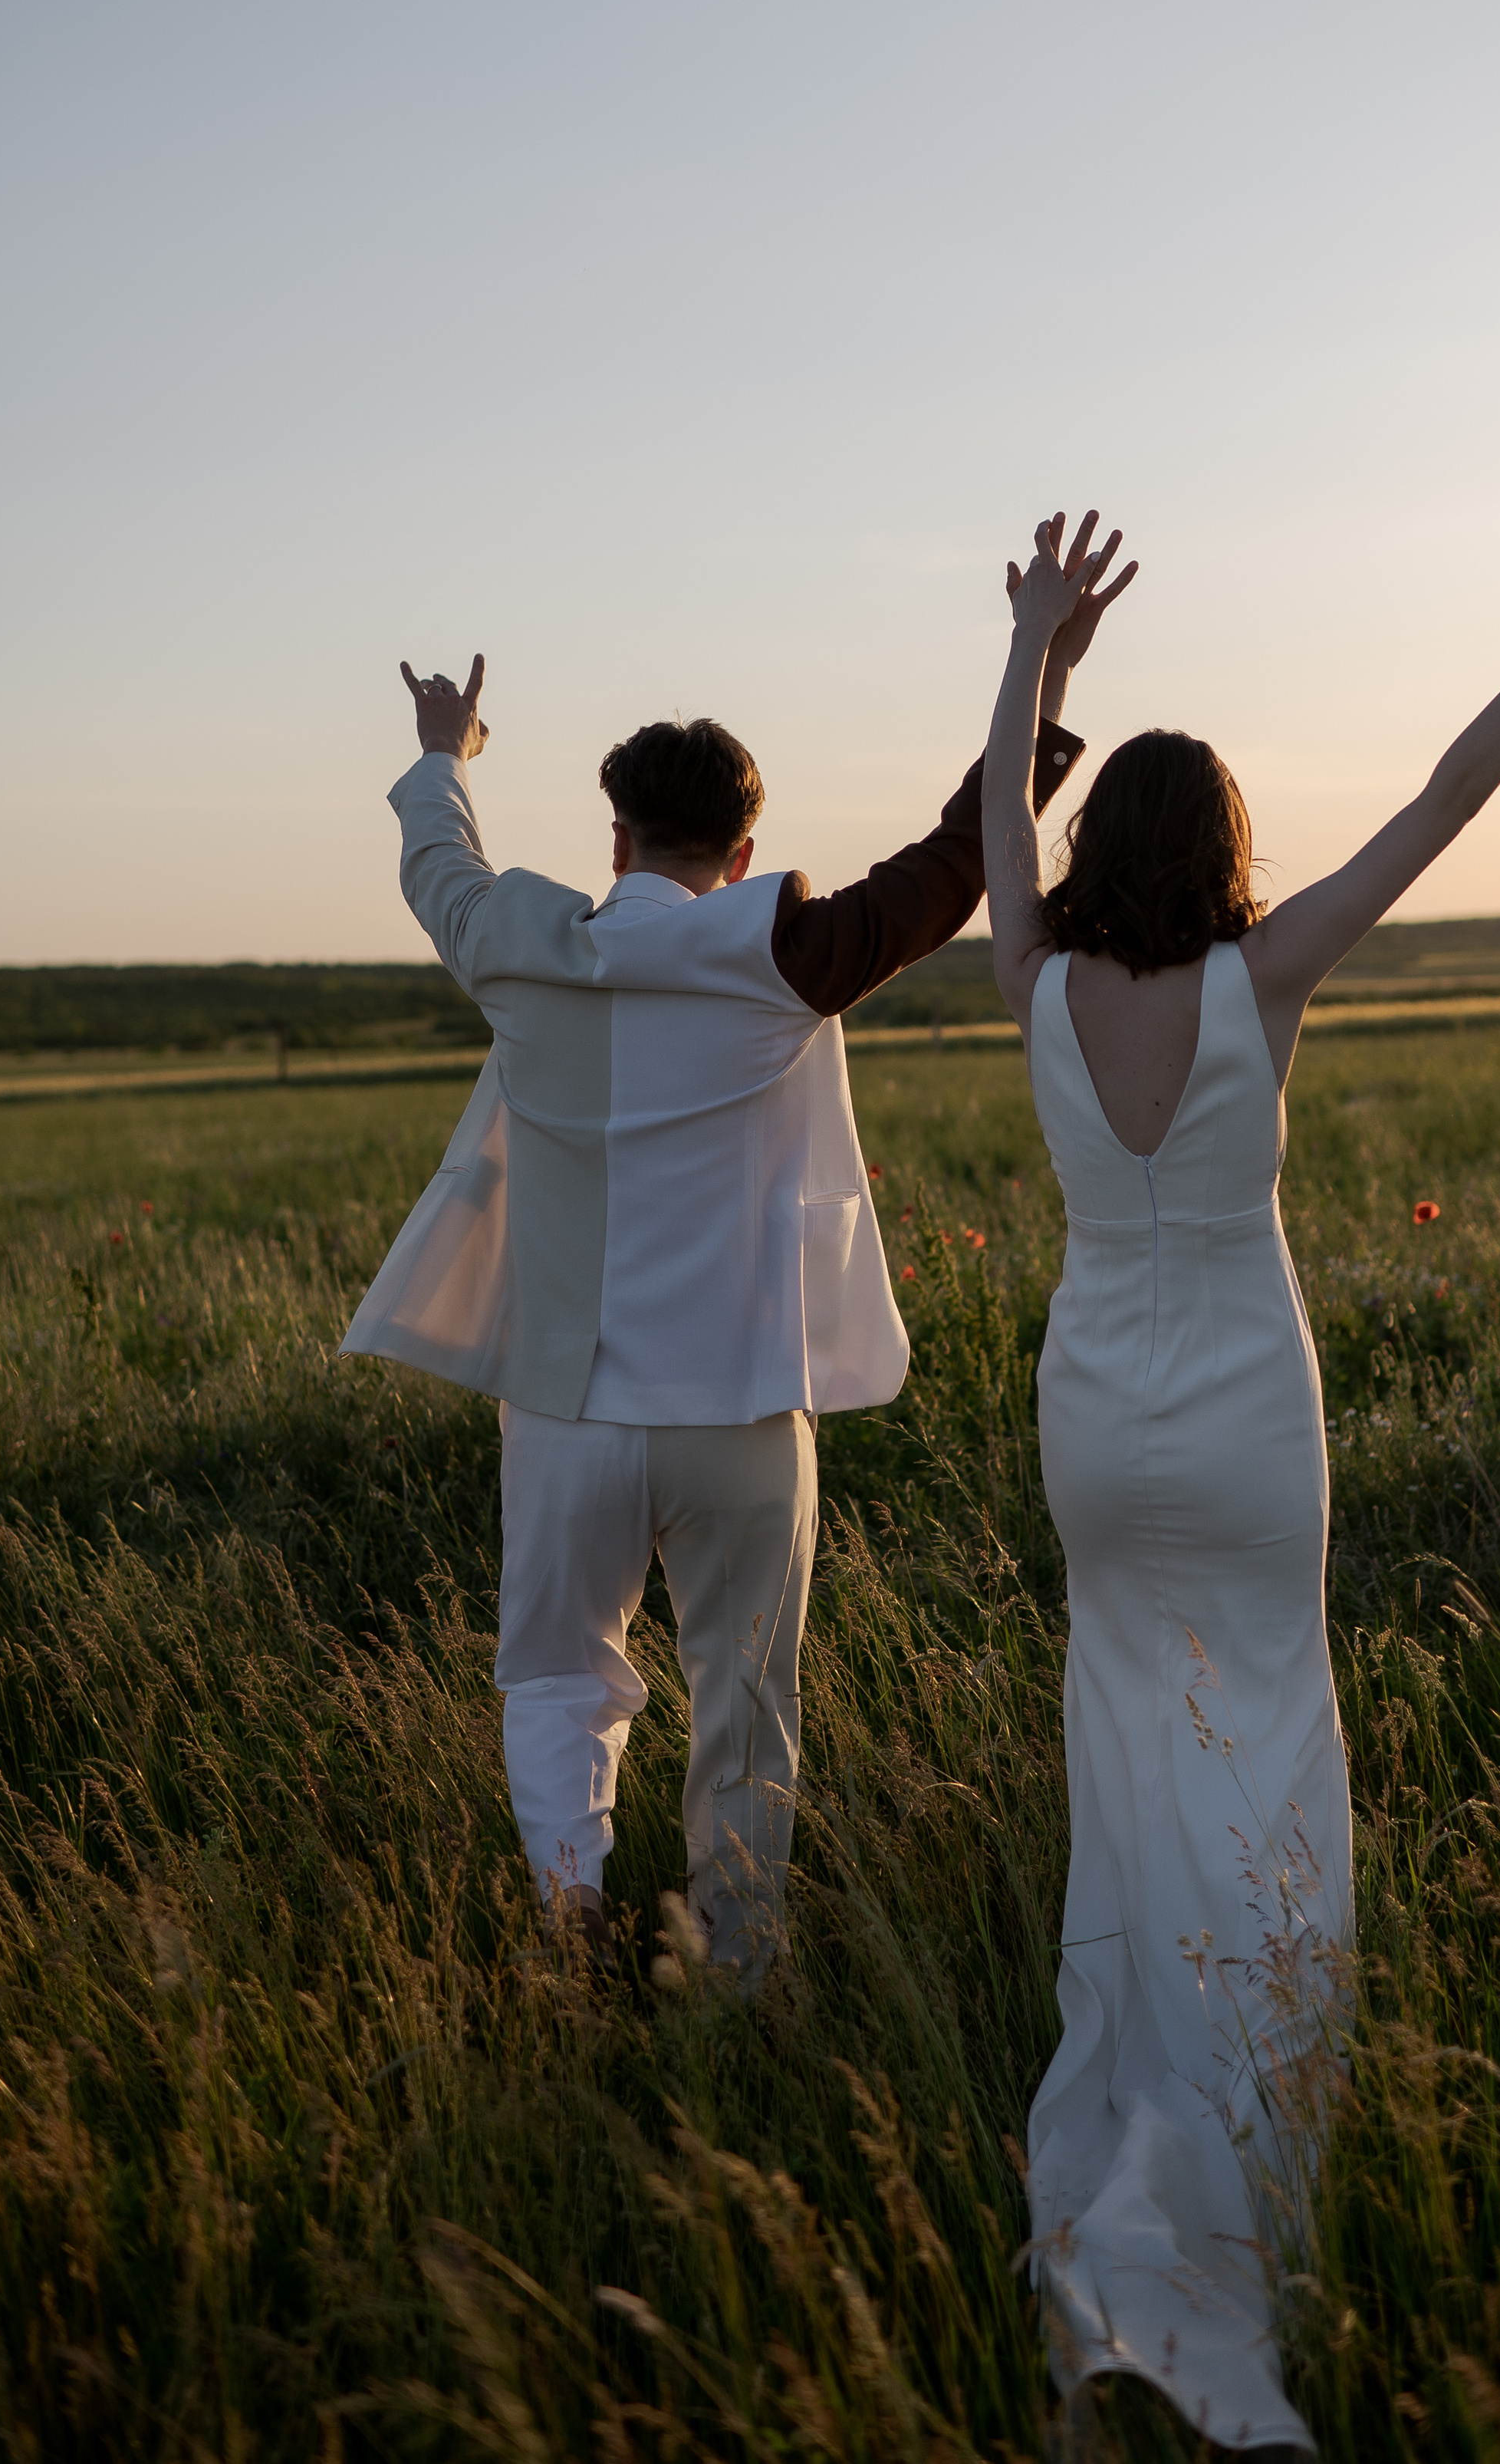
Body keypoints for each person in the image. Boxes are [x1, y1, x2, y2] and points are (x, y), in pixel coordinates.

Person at [981, 494, 1500, 2449]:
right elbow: (1444, 794)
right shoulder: (1263, 975)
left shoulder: (1033, 982)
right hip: (1238, 1424)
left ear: (1083, 852)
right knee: (1261, 1748)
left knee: (1121, 1740)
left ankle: (1121, 2150)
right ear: (1222, 851)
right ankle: (1239, 2152)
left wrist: (1035, 656)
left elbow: (987, 816)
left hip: (1089, 1428)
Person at [340, 525, 1129, 1978]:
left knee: (555, 1677)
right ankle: (739, 1973)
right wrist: (1040, 675)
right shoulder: (790, 955)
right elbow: (962, 862)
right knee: (748, 1703)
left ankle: (573, 1926)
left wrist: (446, 747)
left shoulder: (517, 947)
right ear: (745, 854)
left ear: (618, 841)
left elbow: (436, 862)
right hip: (745, 1418)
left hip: (569, 1419)